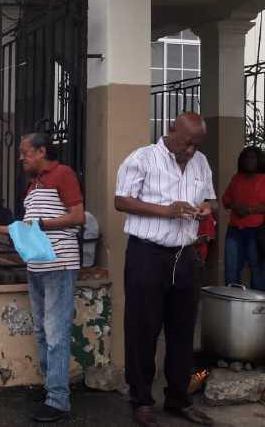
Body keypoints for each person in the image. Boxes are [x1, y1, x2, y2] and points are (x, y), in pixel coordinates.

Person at [114, 112, 216, 427]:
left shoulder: (200, 162)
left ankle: (178, 399)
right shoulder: (142, 159)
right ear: (171, 129)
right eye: (187, 143)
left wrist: (206, 209)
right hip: (147, 254)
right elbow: (121, 201)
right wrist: (165, 211)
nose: (191, 150)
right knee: (142, 330)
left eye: (197, 145)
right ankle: (142, 400)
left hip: (185, 255)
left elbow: (211, 200)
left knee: (182, 331)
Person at [0, 132, 85, 423]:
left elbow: (78, 216)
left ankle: (58, 400)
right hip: (37, 265)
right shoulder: (33, 184)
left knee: (55, 332)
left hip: (59, 264)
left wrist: (41, 225)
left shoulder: (63, 175)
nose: (21, 157)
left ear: (41, 151)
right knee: (42, 331)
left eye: (25, 152)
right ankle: (52, 388)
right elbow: (28, 227)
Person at [222, 146, 265, 290]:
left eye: (253, 157)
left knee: (257, 270)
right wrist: (235, 205)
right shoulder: (237, 178)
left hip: (257, 232)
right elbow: (225, 199)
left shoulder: (263, 179)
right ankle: (232, 301)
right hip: (234, 231)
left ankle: (258, 303)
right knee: (231, 269)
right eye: (246, 157)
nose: (249, 160)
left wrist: (249, 210)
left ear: (259, 160)